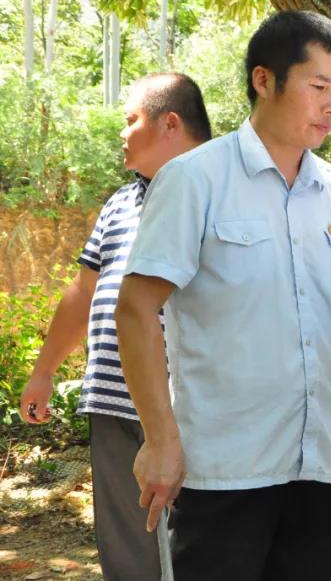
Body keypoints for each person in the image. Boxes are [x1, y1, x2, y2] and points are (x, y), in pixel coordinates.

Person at [114, 10, 331, 580]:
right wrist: (160, 439)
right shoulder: (195, 180)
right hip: (225, 468)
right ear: (265, 80)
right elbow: (136, 307)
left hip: (319, 464)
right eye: (317, 88)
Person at [18, 73, 211, 581]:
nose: (121, 134)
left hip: (192, 410)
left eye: (130, 120)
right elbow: (83, 293)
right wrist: (44, 372)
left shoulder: (221, 190)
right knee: (128, 554)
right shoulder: (121, 203)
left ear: (169, 123)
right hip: (112, 404)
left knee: (200, 548)